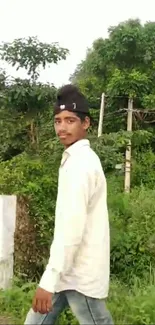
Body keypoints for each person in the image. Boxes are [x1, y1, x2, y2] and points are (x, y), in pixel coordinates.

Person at [24, 84, 113, 325]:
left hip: (79, 275)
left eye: (70, 120)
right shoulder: (75, 158)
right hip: (67, 270)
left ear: (86, 124)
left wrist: (48, 281)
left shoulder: (80, 164)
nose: (62, 128)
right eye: (58, 120)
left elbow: (71, 229)